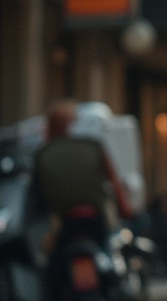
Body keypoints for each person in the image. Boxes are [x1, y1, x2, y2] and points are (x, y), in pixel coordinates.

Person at [32, 100, 134, 253]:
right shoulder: (93, 146)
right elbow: (114, 183)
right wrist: (125, 211)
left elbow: (36, 190)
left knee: (54, 261)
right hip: (95, 215)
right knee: (108, 252)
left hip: (63, 220)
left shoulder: (43, 152)